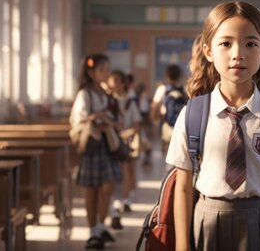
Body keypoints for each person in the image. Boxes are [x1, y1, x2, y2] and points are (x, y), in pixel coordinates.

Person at [167, 1, 260, 251]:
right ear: (208, 51)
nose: (238, 53)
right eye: (226, 43)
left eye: (251, 44)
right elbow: (183, 187)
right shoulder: (192, 114)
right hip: (207, 220)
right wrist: (181, 246)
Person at [69, 54, 121, 250]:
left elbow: (114, 116)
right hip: (93, 145)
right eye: (102, 69)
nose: (107, 72)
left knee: (107, 186)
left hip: (107, 144)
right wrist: (98, 117)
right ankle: (93, 231)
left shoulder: (104, 93)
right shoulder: (85, 94)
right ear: (91, 73)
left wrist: (113, 121)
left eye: (108, 68)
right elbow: (79, 119)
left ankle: (100, 226)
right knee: (92, 189)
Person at [106, 70, 143, 230]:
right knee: (114, 175)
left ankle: (125, 200)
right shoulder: (106, 101)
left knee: (127, 170)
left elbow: (136, 125)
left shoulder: (129, 102)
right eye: (111, 80)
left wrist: (122, 134)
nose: (113, 84)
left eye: (116, 81)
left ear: (122, 83)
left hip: (124, 141)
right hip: (109, 141)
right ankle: (115, 207)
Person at [151, 64, 186, 155]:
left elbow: (154, 109)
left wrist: (156, 117)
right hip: (182, 127)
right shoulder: (184, 89)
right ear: (180, 75)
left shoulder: (162, 89)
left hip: (167, 126)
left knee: (167, 154)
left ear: (166, 76)